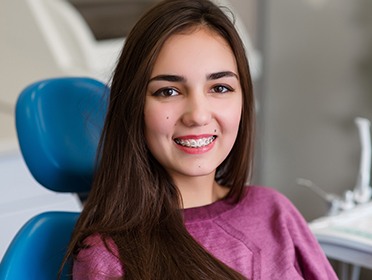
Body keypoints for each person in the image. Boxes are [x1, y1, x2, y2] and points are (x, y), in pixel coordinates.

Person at [62, 0, 338, 279]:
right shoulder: (108, 256)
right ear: (134, 108)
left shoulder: (274, 211)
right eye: (168, 91)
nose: (197, 115)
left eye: (219, 87)